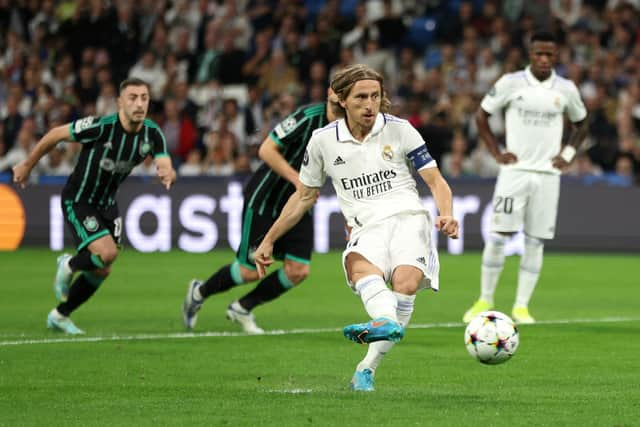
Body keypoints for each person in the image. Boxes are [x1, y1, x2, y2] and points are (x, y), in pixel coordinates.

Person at [252, 64, 459, 391]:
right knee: (361, 270)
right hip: (365, 226)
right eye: (361, 97)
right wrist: (269, 240)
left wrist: (446, 213)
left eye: (375, 96)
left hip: (409, 218)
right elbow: (303, 196)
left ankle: (367, 366)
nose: (370, 104)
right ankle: (383, 332)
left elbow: (437, 182)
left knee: (404, 285)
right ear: (341, 100)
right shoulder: (322, 141)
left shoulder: (400, 129)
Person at [12, 77, 177, 334]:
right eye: (132, 98)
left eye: (144, 98)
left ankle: (60, 315)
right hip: (79, 199)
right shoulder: (102, 127)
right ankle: (68, 264)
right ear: (119, 102)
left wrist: (167, 172)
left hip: (107, 204)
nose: (139, 104)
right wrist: (27, 165)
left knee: (102, 269)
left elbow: (164, 160)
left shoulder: (152, 133)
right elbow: (56, 134)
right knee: (107, 254)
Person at [182, 90, 340, 334]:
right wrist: (297, 180)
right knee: (249, 270)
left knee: (298, 270)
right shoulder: (309, 117)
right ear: (332, 93)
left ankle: (243, 307)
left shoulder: (352, 126)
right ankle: (199, 291)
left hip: (299, 203)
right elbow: (266, 150)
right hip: (267, 198)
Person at [462, 31, 589, 325]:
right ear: (529, 54)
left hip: (547, 174)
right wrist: (496, 152)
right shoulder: (510, 83)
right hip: (514, 173)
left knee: (535, 242)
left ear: (556, 56)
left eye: (549, 54)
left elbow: (582, 124)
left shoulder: (566, 88)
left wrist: (567, 156)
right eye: (539, 54)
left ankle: (521, 307)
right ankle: (484, 299)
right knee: (497, 237)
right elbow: (481, 116)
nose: (544, 59)